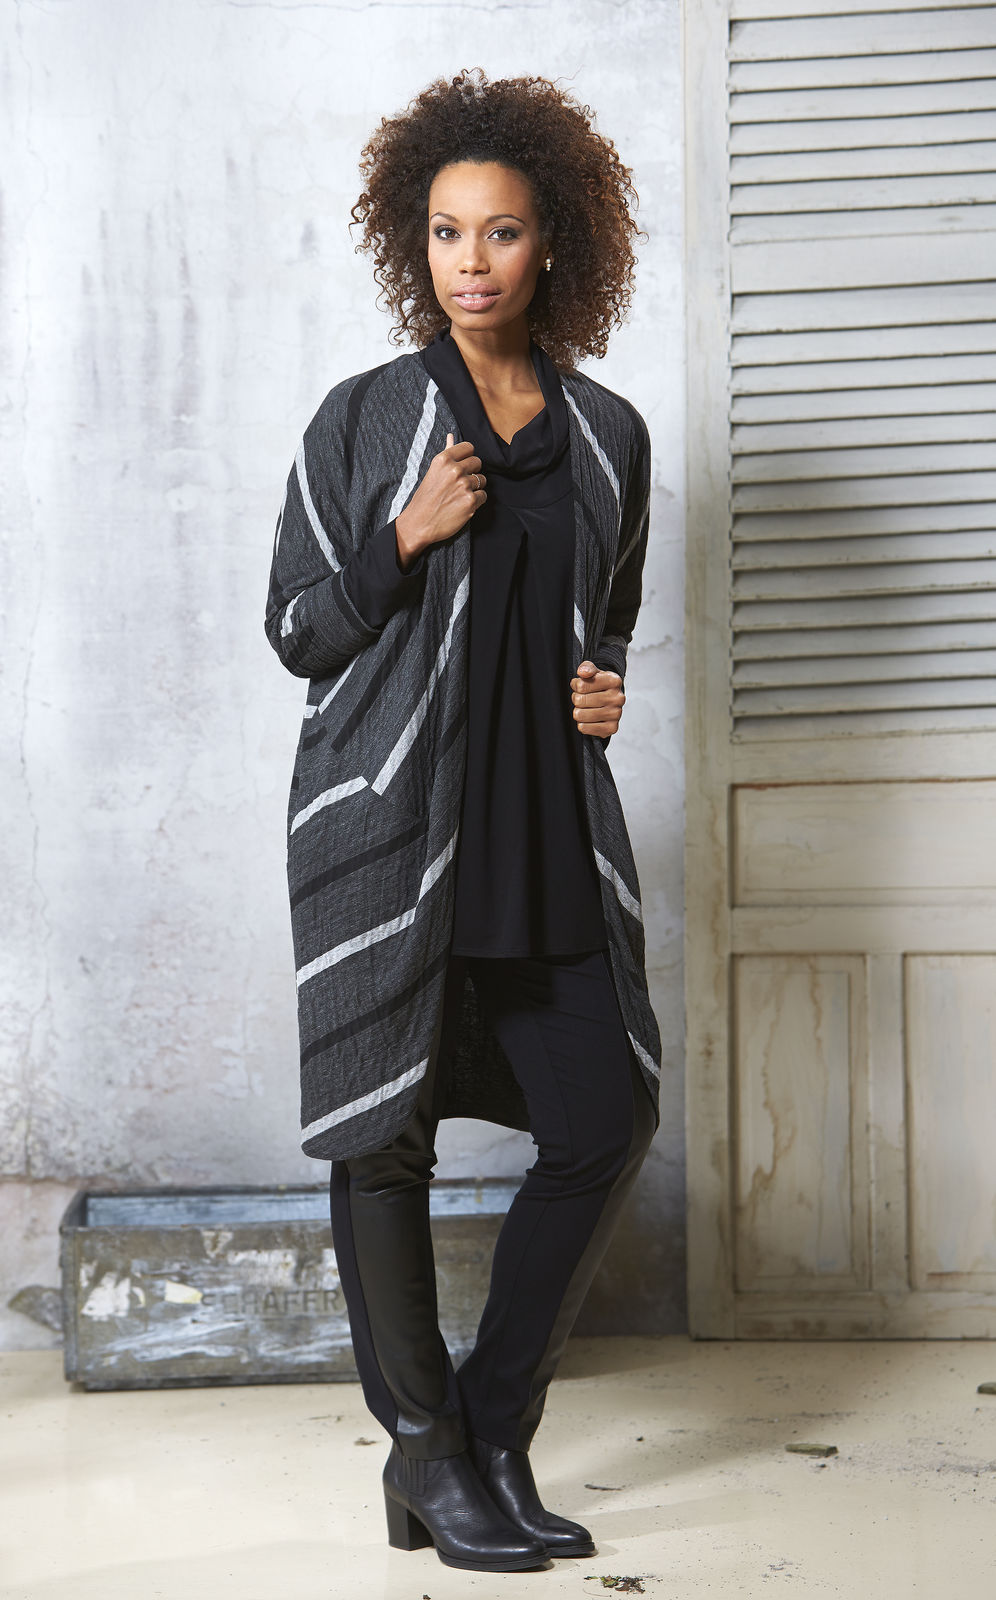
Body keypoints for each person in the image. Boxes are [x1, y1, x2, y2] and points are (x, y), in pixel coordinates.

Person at [264, 67, 662, 1574]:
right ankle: (424, 1455)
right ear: (412, 242)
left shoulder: (609, 433)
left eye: (500, 232)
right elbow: (296, 626)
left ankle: (492, 1431)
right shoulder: (364, 419)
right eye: (445, 233)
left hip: (545, 831)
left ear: (551, 243)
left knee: (604, 1120)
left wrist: (604, 685)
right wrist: (400, 539)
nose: (472, 262)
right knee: (385, 1141)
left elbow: (609, 609)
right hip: (392, 831)